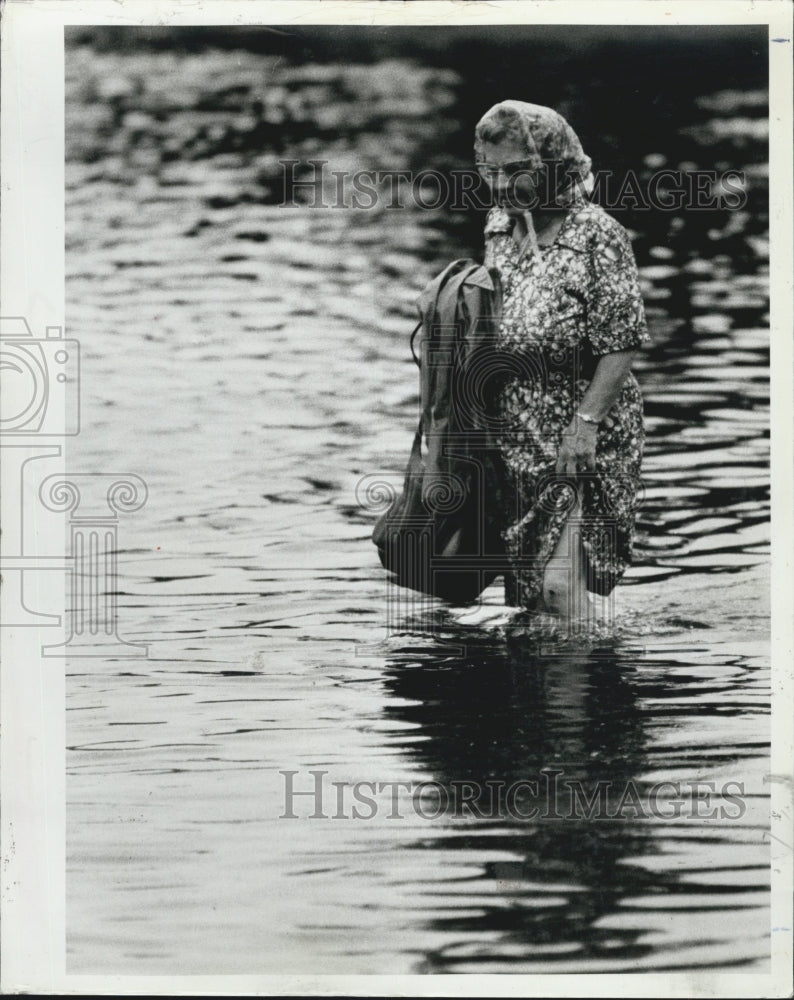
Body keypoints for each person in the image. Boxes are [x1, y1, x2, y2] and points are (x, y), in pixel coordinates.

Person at [473, 100, 649, 623]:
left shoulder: (598, 234)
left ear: (554, 167)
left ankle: (600, 687)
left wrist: (586, 425)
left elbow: (623, 339)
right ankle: (561, 694)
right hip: (515, 434)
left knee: (557, 588)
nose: (501, 185)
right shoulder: (499, 228)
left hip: (582, 433)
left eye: (516, 171)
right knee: (529, 597)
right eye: (490, 171)